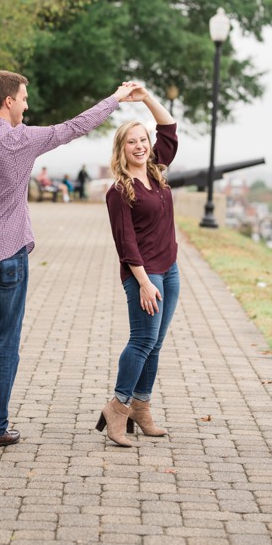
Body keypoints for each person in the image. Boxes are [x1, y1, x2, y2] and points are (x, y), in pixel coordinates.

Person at [0, 71, 137, 448]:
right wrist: (116, 98)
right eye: (24, 97)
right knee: (7, 342)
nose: (27, 104)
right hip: (10, 253)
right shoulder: (23, 139)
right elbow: (77, 125)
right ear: (8, 101)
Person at [97, 86, 179, 447]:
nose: (140, 146)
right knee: (142, 340)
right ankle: (117, 407)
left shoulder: (157, 172)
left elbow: (170, 128)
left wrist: (145, 98)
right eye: (132, 142)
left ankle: (141, 408)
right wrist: (145, 283)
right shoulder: (119, 191)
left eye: (143, 139)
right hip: (144, 273)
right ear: (122, 149)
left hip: (170, 268)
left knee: (155, 343)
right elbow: (125, 244)